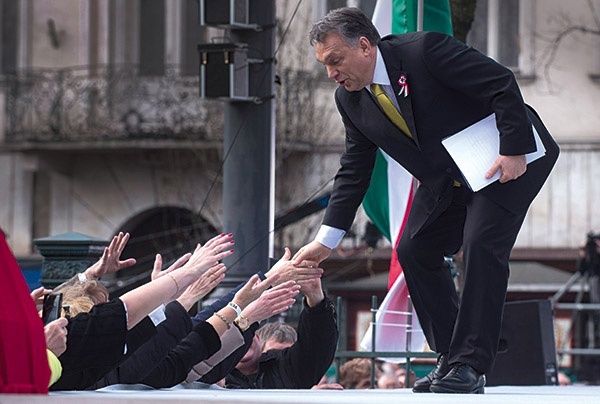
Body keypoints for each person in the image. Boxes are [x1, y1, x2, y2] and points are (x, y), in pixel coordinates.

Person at [293, 7, 560, 395]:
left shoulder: (424, 51)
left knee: (481, 243)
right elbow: (354, 171)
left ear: (365, 46)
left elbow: (500, 83)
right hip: (450, 177)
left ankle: (470, 364)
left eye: (336, 61)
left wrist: (514, 148)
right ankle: (452, 356)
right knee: (414, 249)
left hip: (505, 161)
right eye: (325, 66)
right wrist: (325, 242)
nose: (332, 73)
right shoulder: (349, 101)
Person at [224, 276, 338, 389]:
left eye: (247, 329)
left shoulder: (286, 369)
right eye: (232, 331)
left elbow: (315, 348)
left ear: (257, 339)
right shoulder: (213, 378)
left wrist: (316, 301)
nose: (241, 339)